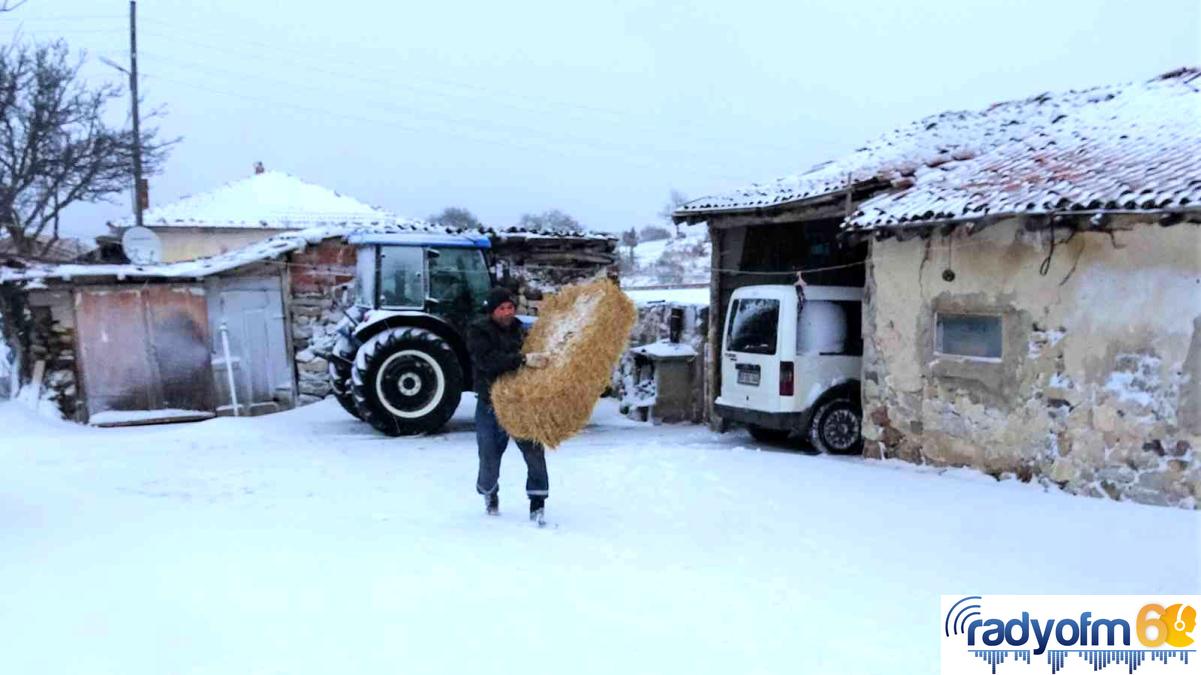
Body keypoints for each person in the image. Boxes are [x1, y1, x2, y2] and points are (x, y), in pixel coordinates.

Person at [467, 286, 552, 523]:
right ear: (492, 311)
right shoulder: (478, 331)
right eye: (502, 308)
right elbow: (487, 362)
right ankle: (489, 492)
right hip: (490, 404)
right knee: (489, 456)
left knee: (534, 452)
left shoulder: (522, 330)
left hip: (521, 404)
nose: (507, 313)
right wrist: (523, 360)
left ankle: (537, 502)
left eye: (510, 308)